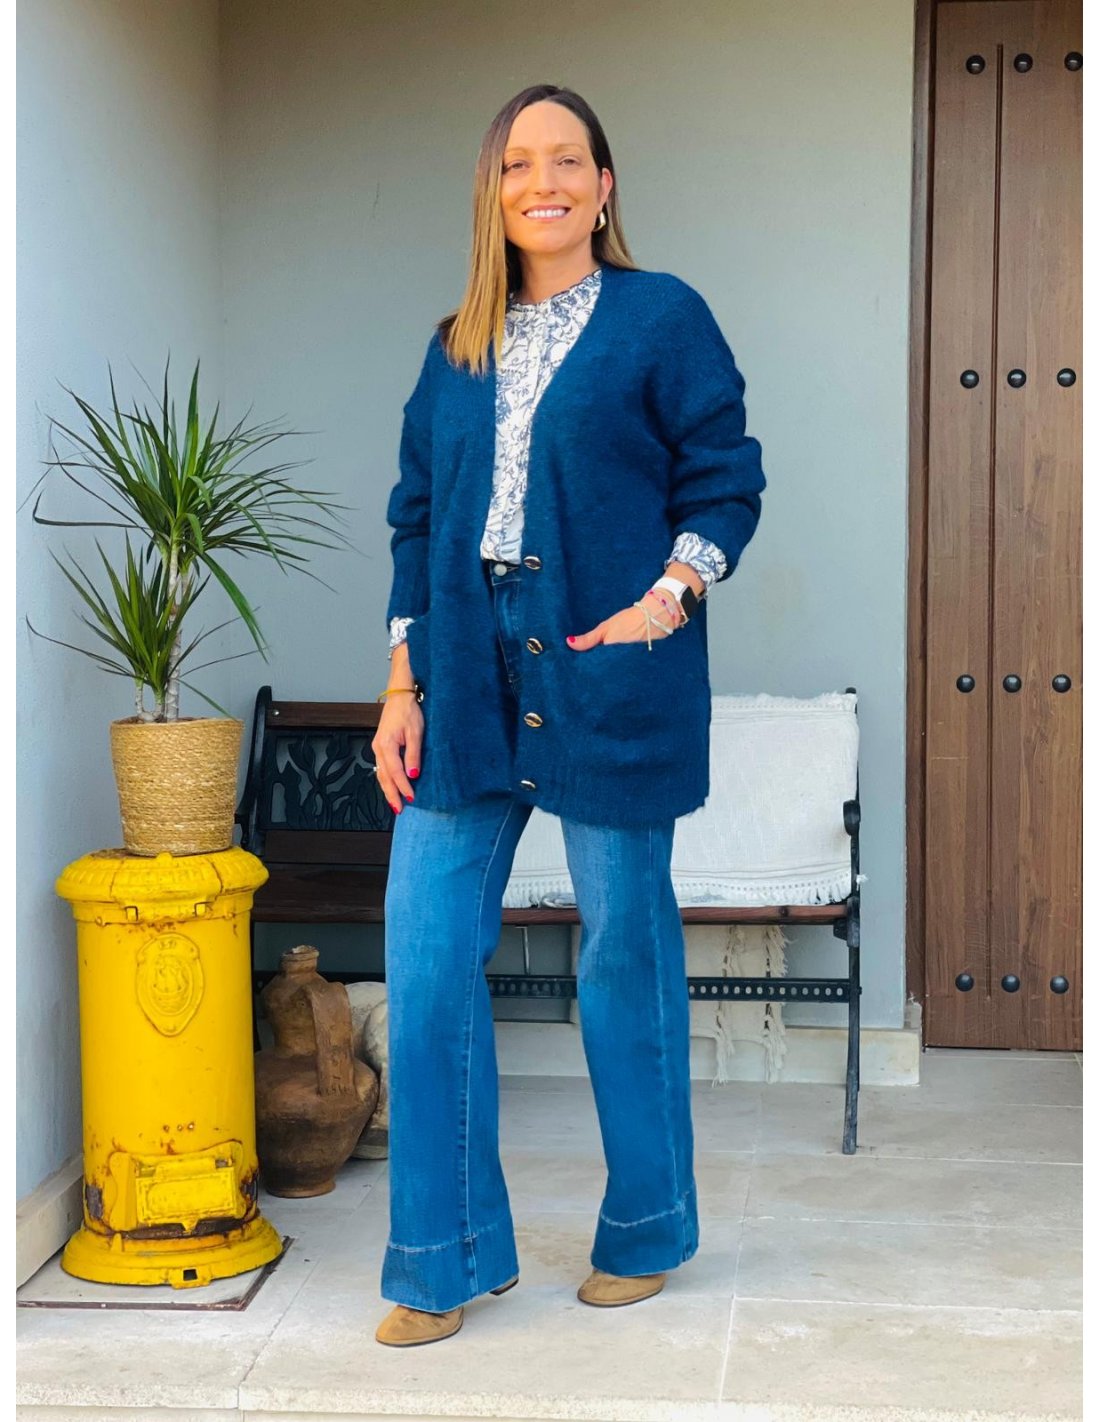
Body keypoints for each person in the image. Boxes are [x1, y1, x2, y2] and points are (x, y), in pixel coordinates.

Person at [371, 83, 765, 1347]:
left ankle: (645, 1225)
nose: (541, 181)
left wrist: (669, 596)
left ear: (603, 185)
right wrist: (400, 684)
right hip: (464, 666)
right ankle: (440, 1257)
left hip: (603, 658)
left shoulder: (661, 316)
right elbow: (415, 518)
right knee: (426, 956)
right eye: (516, 164)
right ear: (492, 193)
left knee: (622, 956)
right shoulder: (453, 344)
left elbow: (724, 478)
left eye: (566, 160)